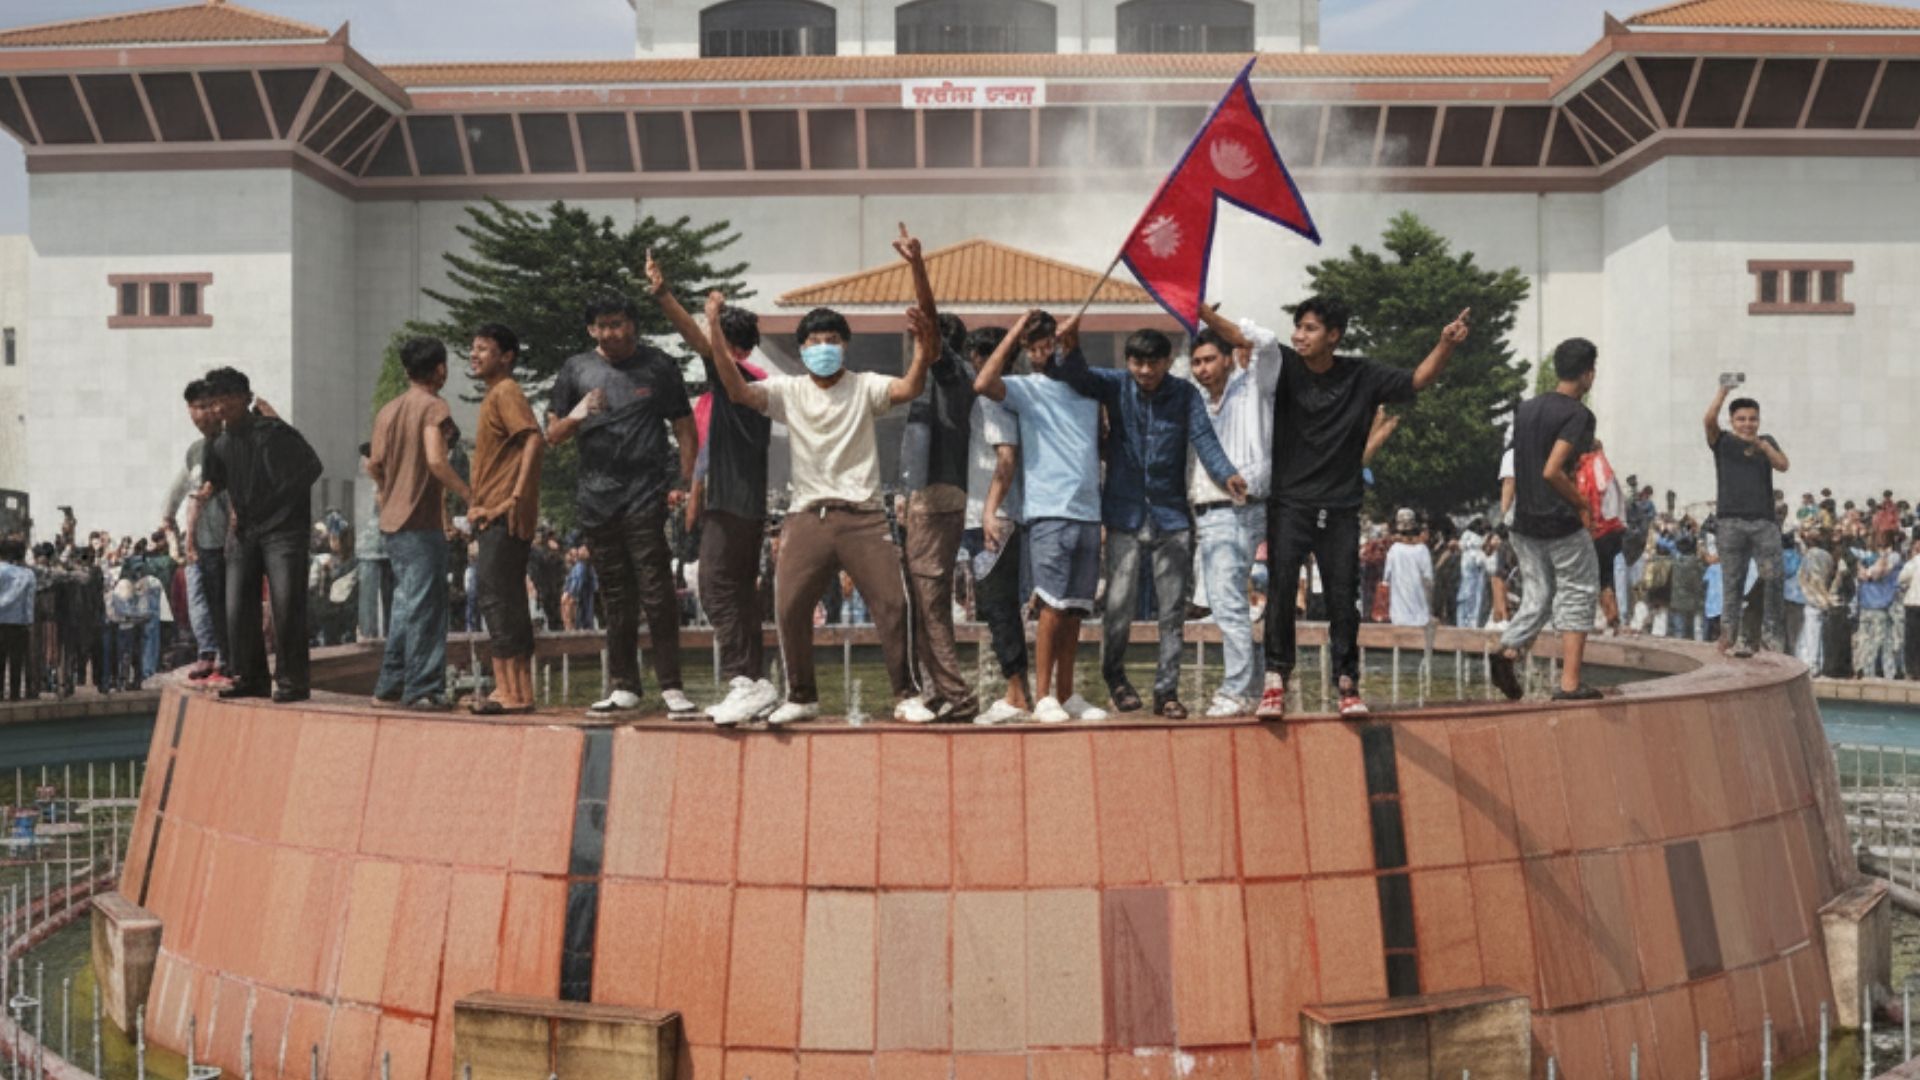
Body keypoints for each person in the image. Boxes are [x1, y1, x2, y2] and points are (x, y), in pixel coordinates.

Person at [704, 288, 936, 724]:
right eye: (813, 342)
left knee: (892, 604)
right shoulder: (788, 390)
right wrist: (713, 327)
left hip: (863, 515)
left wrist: (922, 349)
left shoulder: (865, 386)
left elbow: (910, 386)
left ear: (844, 346)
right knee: (789, 605)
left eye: (831, 340)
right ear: (802, 349)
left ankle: (906, 694)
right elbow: (736, 391)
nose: (823, 348)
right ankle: (802, 694)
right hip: (808, 514)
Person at [1257, 299, 1470, 719]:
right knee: (1281, 589)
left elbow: (1416, 381)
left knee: (1342, 597)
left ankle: (1347, 683)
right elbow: (1239, 338)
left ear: (1333, 335)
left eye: (1310, 328)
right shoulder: (1283, 366)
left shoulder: (1363, 375)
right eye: (1297, 327)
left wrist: (1446, 344)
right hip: (1290, 503)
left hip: (1340, 506)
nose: (1299, 335)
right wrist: (1202, 313)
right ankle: (1275, 680)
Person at [1045, 325, 1243, 718]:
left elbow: (1204, 439)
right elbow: (1073, 374)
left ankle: (1166, 691)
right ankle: (1115, 678)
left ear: (1168, 362)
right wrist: (1070, 346)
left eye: (1154, 363)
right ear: (1128, 361)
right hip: (1124, 515)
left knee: (1172, 611)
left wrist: (1227, 475)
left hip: (1171, 517)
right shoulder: (1116, 385)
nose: (1146, 371)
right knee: (1118, 605)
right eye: (1138, 362)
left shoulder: (1184, 394)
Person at [547, 292, 699, 715]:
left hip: (645, 493)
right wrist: (580, 411)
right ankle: (623, 684)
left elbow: (685, 428)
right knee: (615, 593)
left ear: (633, 324)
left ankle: (672, 685)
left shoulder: (657, 365)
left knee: (657, 589)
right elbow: (553, 434)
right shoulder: (576, 369)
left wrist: (684, 484)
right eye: (603, 325)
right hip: (596, 496)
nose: (612, 332)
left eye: (619, 323)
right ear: (591, 330)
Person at [646, 255, 781, 725]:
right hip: (745, 500)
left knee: (715, 586)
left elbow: (696, 339)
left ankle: (744, 680)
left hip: (731, 499)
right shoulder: (757, 384)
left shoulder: (735, 379)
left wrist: (666, 296)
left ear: (729, 344)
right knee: (741, 591)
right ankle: (756, 681)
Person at [974, 309, 1109, 724]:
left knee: (1075, 609)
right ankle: (1044, 694)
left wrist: (1074, 339)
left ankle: (1067, 694)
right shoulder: (1025, 389)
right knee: (1050, 606)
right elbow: (982, 382)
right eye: (1031, 347)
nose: (1039, 352)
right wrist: (1014, 331)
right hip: (1049, 511)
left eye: (1045, 343)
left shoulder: (1088, 388)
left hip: (1088, 511)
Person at [889, 227, 980, 723]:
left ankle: (958, 696)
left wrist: (917, 267)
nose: (914, 345)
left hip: (936, 497)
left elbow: (929, 321)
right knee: (924, 602)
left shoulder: (951, 373)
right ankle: (938, 693)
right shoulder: (931, 382)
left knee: (929, 602)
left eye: (920, 338)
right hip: (928, 496)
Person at [196, 366, 323, 702]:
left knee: (286, 606)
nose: (220, 408)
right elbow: (219, 480)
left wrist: (282, 504)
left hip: (283, 530)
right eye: (215, 401)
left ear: (244, 398)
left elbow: (312, 467)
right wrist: (212, 497)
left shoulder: (272, 432)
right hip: (246, 531)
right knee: (237, 607)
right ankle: (249, 676)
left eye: (226, 399)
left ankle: (292, 681)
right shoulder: (220, 443)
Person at [1489, 338, 1602, 702]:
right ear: (1588, 373)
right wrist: (1582, 505)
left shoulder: (1526, 409)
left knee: (1539, 594)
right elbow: (1554, 469)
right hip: (1559, 520)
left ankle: (1509, 649)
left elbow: (1519, 464)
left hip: (1524, 520)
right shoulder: (1577, 414)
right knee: (1579, 592)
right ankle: (1570, 684)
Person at [1186, 305, 1281, 716]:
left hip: (1240, 508)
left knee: (1227, 602)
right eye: (1196, 362)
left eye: (1209, 359)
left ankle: (1237, 688)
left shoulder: (1254, 388)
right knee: (1227, 603)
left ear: (1228, 356)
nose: (1203, 369)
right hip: (1207, 514)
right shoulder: (1200, 407)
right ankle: (1253, 686)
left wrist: (1200, 308)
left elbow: (1267, 342)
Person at [368, 338, 469, 711]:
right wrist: (469, 494)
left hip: (392, 523)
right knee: (425, 607)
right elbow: (437, 461)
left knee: (405, 605)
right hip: (419, 522)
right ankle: (423, 688)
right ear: (439, 369)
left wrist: (388, 491)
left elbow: (373, 463)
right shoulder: (433, 407)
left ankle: (391, 684)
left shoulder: (388, 411)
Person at [955, 326, 1032, 725]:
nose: (977, 367)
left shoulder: (995, 402)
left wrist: (989, 511)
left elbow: (1006, 459)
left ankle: (1016, 694)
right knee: (991, 606)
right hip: (980, 516)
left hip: (994, 520)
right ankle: (1019, 690)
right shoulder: (985, 399)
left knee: (999, 606)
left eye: (985, 358)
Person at [466, 324, 544, 714]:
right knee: (501, 596)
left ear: (507, 356)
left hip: (502, 513)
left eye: (483, 349)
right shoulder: (494, 396)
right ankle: (510, 690)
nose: (474, 355)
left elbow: (533, 437)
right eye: (473, 349)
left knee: (498, 598)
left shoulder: (506, 391)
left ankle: (514, 693)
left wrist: (514, 497)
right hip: (491, 513)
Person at [1705, 384, 1790, 656]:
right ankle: (1729, 634)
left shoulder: (1766, 442)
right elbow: (1708, 420)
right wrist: (1723, 392)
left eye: (1752, 419)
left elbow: (1783, 464)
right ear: (1732, 421)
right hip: (1730, 523)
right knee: (1733, 581)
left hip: (1764, 523)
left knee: (1773, 578)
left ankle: (1769, 635)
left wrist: (1762, 445)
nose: (1747, 424)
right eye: (1741, 419)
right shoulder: (1723, 442)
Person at [165, 379, 232, 683]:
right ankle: (207, 651)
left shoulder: (232, 442)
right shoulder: (195, 450)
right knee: (199, 600)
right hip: (199, 540)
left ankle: (226, 656)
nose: (201, 414)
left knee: (223, 600)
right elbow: (179, 489)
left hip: (227, 537)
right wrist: (167, 517)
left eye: (206, 406)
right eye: (195, 408)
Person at [1576, 439, 1626, 631]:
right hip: (1614, 530)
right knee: (1606, 575)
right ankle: (1612, 617)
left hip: (1596, 530)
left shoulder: (1586, 467)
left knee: (1592, 576)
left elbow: (1586, 498)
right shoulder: (1606, 468)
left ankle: (1601, 617)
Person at [1383, 509, 1434, 627]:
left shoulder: (1394, 550)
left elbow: (1386, 579)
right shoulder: (1423, 550)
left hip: (1397, 616)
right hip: (1421, 617)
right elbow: (1429, 581)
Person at [0, 538, 32, 701]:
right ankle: (14, 695)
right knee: (16, 662)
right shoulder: (27, 574)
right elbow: (28, 603)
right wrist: (28, 622)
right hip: (18, 625)